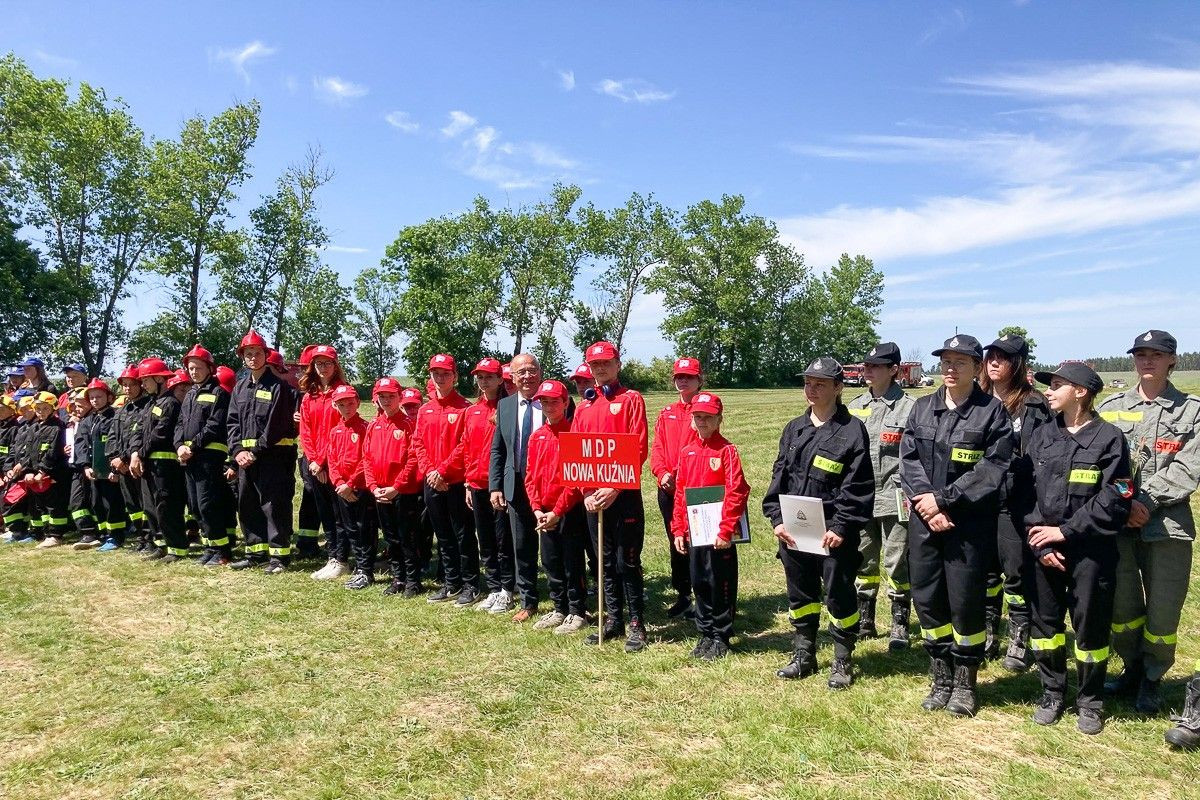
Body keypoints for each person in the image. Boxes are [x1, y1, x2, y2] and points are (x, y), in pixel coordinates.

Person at [900, 334, 1014, 717]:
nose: (950, 368)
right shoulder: (921, 408)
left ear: (977, 368)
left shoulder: (992, 413)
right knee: (928, 598)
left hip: (967, 524)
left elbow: (992, 468)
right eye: (946, 361)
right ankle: (940, 676)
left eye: (960, 362)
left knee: (965, 602)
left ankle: (966, 682)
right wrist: (928, 505)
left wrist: (945, 500)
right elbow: (909, 460)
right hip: (924, 521)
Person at [1022, 362, 1132, 735]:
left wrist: (1065, 532)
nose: (1048, 392)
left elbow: (1118, 496)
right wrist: (1040, 542)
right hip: (1044, 549)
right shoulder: (1040, 436)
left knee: (1090, 626)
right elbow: (1023, 493)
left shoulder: (1110, 438)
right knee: (1046, 625)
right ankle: (1052, 692)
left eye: (1056, 385)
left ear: (1081, 392)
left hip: (1091, 552)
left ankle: (1090, 700)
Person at [1099, 329, 1200, 717]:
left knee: (1163, 610)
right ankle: (1131, 668)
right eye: (1141, 354)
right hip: (1120, 523)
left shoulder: (1193, 410)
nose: (1147, 361)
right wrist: (1125, 500)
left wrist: (1147, 500)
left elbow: (1189, 466)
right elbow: (1104, 459)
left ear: (1172, 360)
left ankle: (1153, 679)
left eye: (1156, 355)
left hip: (1168, 526)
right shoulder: (1111, 406)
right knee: (1123, 606)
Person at [764, 358, 873, 688]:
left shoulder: (852, 432)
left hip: (832, 532)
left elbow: (857, 487)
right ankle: (804, 653)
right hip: (795, 530)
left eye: (820, 383)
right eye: (808, 382)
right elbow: (779, 476)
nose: (811, 388)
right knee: (801, 593)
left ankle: (842, 657)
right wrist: (777, 519)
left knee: (838, 595)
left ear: (838, 387)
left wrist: (840, 527)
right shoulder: (794, 428)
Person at [980, 334, 1053, 668]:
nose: (994, 361)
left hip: (1017, 499)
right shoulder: (976, 401)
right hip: (979, 499)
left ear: (1018, 363)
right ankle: (988, 632)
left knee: (1015, 571)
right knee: (985, 570)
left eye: (1003, 357)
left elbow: (1043, 456)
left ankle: (1020, 637)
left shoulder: (1035, 404)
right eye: (991, 355)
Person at [572, 341, 650, 652]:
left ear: (617, 365)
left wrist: (614, 488)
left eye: (606, 363)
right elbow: (576, 455)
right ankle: (613, 618)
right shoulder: (583, 407)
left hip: (624, 495)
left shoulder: (631, 399)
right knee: (603, 561)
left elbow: (639, 445)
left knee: (626, 561)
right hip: (594, 499)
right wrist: (588, 492)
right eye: (594, 365)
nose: (600, 369)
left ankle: (636, 623)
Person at [847, 342, 917, 649]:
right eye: (866, 366)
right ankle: (865, 617)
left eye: (876, 366)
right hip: (861, 499)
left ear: (894, 370)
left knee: (897, 560)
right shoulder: (852, 406)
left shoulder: (911, 409)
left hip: (895, 497)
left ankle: (900, 623)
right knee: (863, 559)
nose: (869, 371)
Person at [672, 392, 750, 660]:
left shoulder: (726, 451)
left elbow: (736, 491)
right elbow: (681, 492)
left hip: (719, 535)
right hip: (696, 530)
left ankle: (722, 635)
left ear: (719, 419)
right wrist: (679, 529)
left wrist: (725, 529)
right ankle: (705, 633)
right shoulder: (687, 452)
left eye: (707, 417)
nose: (702, 422)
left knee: (720, 582)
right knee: (700, 581)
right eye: (697, 417)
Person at [522, 379, 592, 634]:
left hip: (567, 511)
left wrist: (557, 511)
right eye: (544, 401)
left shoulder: (572, 433)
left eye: (554, 401)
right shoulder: (536, 436)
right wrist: (538, 509)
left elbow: (575, 480)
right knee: (550, 561)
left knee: (572, 562)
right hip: (544, 512)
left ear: (565, 402)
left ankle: (577, 610)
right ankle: (559, 607)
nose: (549, 406)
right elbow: (530, 476)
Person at [227, 330, 298, 574]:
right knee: (247, 504)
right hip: (245, 459)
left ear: (266, 356)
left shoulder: (278, 386)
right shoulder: (239, 388)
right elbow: (232, 422)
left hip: (271, 456)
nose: (253, 357)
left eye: (257, 353)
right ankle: (255, 552)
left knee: (273, 505)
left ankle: (278, 558)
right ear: (242, 357)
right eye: (248, 353)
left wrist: (255, 451)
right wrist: (237, 451)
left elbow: (276, 425)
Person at [413, 353, 478, 604]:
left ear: (455, 377)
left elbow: (465, 445)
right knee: (443, 536)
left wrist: (443, 471)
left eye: (446, 373)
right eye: (436, 373)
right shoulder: (425, 409)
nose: (440, 378)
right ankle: (451, 583)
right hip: (432, 482)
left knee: (463, 534)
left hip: (455, 482)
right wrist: (431, 471)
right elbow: (418, 442)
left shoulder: (465, 408)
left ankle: (471, 584)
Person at [488, 353, 546, 623]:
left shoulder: (556, 401)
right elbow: (498, 450)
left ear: (540, 373)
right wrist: (495, 485)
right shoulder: (505, 406)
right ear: (511, 377)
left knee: (551, 546)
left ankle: (565, 602)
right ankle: (528, 600)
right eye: (520, 372)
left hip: (548, 485)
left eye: (531, 370)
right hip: (516, 484)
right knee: (521, 546)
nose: (526, 376)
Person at [454, 357, 515, 615]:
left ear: (500, 378)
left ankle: (508, 590)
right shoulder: (471, 411)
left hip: (498, 485)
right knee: (486, 540)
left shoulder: (507, 408)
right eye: (480, 377)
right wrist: (468, 482)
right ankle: (492, 588)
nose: (484, 381)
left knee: (503, 539)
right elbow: (467, 448)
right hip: (476, 483)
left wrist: (498, 483)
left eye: (489, 376)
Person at [651, 357, 703, 620]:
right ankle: (683, 595)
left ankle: (703, 597)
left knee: (698, 543)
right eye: (679, 377)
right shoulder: (666, 412)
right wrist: (661, 474)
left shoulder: (704, 409)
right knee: (676, 541)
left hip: (694, 488)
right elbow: (658, 447)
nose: (683, 381)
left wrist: (681, 476)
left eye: (689, 377)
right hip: (669, 489)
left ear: (699, 380)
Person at [176, 345, 234, 566]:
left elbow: (214, 425)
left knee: (208, 504)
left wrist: (192, 446)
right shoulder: (190, 394)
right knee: (196, 505)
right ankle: (210, 546)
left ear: (209, 368)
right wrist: (179, 445)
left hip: (208, 457)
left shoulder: (218, 393)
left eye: (198, 367)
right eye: (190, 368)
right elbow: (180, 424)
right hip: (189, 457)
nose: (193, 372)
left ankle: (223, 551)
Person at [365, 378, 423, 597]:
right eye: (382, 397)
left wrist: (397, 486)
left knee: (407, 537)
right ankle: (398, 578)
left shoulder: (407, 425)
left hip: (403, 492)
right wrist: (372, 486)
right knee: (391, 538)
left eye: (391, 396)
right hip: (380, 492)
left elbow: (413, 458)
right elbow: (367, 458)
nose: (386, 400)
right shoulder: (374, 425)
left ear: (400, 397)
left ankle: (413, 581)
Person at [133, 358, 188, 563]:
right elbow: (139, 431)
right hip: (149, 464)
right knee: (151, 506)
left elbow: (160, 434)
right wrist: (136, 452)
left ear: (159, 378)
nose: (143, 385)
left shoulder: (171, 403)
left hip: (165, 466)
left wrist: (140, 453)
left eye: (146, 380)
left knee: (167, 506)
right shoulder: (151, 404)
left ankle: (177, 548)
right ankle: (161, 544)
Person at [301, 345, 347, 579]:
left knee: (340, 513)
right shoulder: (311, 395)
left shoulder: (342, 393)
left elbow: (339, 430)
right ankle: (332, 555)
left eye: (327, 363)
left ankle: (342, 558)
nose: (322, 367)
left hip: (336, 463)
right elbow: (306, 430)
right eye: (318, 363)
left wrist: (321, 460)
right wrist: (312, 460)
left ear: (335, 365)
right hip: (315, 465)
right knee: (325, 513)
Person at [325, 384, 375, 590]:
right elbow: (332, 460)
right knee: (350, 529)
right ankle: (360, 567)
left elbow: (367, 459)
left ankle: (366, 571)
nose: (346, 408)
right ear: (336, 406)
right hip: (342, 490)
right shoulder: (335, 431)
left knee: (365, 529)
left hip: (360, 489)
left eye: (350, 403)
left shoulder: (365, 428)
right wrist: (338, 483)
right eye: (342, 404)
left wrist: (351, 484)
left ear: (357, 403)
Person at [76, 379, 128, 551]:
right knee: (97, 502)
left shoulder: (116, 416)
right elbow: (80, 445)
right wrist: (85, 466)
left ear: (109, 397)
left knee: (113, 503)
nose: (95, 400)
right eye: (91, 398)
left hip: (111, 471)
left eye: (99, 396)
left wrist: (115, 469)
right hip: (94, 471)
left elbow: (118, 443)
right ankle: (104, 534)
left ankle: (116, 536)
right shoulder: (86, 421)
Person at [107, 364, 153, 553]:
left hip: (139, 465)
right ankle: (141, 538)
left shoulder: (148, 406)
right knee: (132, 506)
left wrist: (129, 459)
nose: (127, 388)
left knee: (146, 504)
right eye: (124, 385)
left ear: (140, 384)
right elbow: (112, 437)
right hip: (122, 466)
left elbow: (143, 436)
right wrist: (115, 460)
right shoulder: (122, 410)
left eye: (131, 384)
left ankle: (151, 539)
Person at [25, 391, 71, 547]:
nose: (41, 411)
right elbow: (29, 451)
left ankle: (56, 535)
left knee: (55, 505)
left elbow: (52, 452)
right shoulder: (34, 427)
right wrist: (29, 471)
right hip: (37, 475)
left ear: (53, 408)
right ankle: (47, 532)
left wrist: (42, 471)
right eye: (38, 408)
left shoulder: (57, 427)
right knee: (41, 505)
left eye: (45, 408)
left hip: (54, 474)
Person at [293, 345, 324, 559]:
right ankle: (306, 542)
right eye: (303, 368)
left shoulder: (323, 392)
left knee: (323, 500)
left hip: (326, 457)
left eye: (306, 367)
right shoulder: (302, 394)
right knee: (310, 498)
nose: (304, 372)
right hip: (309, 456)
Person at [66, 387, 100, 545]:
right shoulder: (77, 422)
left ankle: (90, 533)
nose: (76, 409)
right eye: (75, 405)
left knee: (84, 501)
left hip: (88, 467)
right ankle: (88, 532)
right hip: (78, 467)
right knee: (78, 502)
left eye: (80, 405)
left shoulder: (92, 421)